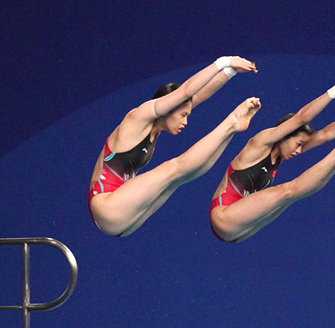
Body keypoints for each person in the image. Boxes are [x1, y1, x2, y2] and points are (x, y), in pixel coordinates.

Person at [89, 56, 259, 237]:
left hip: (123, 217)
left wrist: (230, 72)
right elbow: (186, 91)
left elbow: (198, 96)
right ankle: (231, 123)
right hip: (107, 206)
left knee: (180, 177)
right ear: (169, 108)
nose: (185, 121)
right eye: (183, 115)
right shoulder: (138, 117)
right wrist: (224, 62)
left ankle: (230, 130)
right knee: (172, 168)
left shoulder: (156, 128)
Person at [209, 80, 335, 243]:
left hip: (240, 230)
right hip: (224, 217)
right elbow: (301, 117)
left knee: (291, 197)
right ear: (285, 135)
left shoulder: (282, 154)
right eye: (298, 144)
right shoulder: (261, 142)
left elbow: (325, 135)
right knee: (286, 191)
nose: (299, 151)